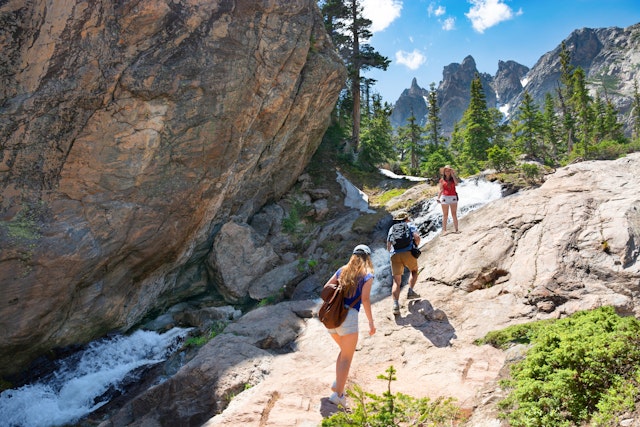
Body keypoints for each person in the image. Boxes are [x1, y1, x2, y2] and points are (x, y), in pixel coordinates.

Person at [324, 244, 376, 408]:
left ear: (353, 256)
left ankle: (337, 384)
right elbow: (365, 300)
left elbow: (326, 289)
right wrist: (371, 322)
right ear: (367, 258)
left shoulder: (341, 271)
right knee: (347, 357)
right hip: (349, 318)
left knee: (344, 352)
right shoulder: (367, 276)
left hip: (332, 318)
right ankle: (338, 395)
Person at [386, 212, 421, 315]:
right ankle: (410, 291)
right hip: (408, 252)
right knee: (414, 271)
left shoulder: (392, 228)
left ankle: (396, 305)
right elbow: (417, 237)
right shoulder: (409, 225)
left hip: (394, 255)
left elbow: (388, 246)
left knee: (396, 281)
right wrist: (415, 246)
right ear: (406, 218)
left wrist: (393, 253)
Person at [437, 165, 460, 233]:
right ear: (444, 172)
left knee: (454, 214)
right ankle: (444, 230)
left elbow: (457, 184)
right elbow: (441, 190)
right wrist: (438, 198)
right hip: (445, 197)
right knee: (445, 214)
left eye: (449, 171)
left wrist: (453, 175)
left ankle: (456, 229)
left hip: (453, 197)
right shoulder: (442, 180)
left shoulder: (453, 179)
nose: (447, 172)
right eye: (446, 171)